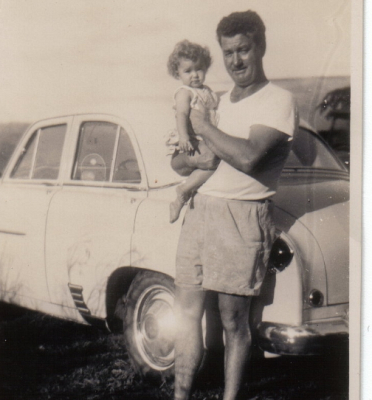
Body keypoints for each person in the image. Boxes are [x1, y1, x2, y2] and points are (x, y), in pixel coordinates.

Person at [173, 11, 298, 400]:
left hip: (242, 218)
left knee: (233, 321)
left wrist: (204, 126)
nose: (235, 61)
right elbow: (179, 163)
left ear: (261, 47)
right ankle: (179, 395)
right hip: (199, 214)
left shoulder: (279, 99)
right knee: (187, 316)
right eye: (228, 52)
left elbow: (248, 158)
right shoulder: (216, 100)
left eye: (243, 50)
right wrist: (192, 151)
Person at [166, 40, 220, 223]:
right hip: (191, 141)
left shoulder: (208, 91)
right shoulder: (185, 92)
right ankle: (183, 192)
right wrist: (183, 136)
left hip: (206, 139)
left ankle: (186, 193)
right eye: (187, 71)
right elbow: (181, 115)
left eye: (199, 69)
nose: (194, 75)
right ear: (177, 73)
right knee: (214, 161)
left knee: (216, 161)